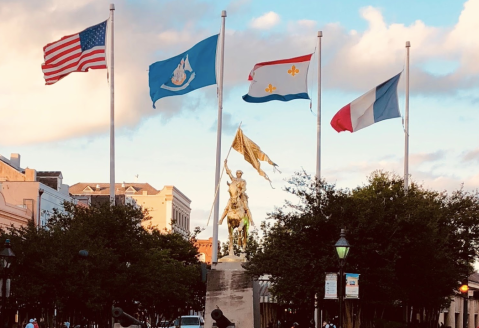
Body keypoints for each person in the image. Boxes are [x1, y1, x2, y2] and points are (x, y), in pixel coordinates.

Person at [219, 159, 254, 226]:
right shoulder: (234, 180)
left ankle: (251, 220)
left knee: (246, 207)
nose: (238, 174)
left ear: (241, 174)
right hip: (234, 196)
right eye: (237, 173)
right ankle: (221, 219)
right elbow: (229, 173)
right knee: (227, 207)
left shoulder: (243, 181)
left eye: (240, 173)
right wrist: (225, 165)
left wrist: (241, 192)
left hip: (241, 196)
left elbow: (244, 188)